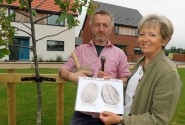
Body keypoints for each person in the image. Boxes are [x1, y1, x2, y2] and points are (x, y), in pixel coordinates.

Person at [99, 13, 182, 125]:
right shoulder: (141, 61)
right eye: (142, 34)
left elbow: (159, 119)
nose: (145, 39)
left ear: (164, 40)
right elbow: (133, 91)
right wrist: (112, 83)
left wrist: (121, 120)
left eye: (152, 35)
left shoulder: (168, 73)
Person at [59, 10, 131, 125]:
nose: (101, 29)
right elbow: (62, 70)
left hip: (111, 114)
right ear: (91, 27)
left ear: (111, 29)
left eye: (105, 25)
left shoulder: (119, 53)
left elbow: (126, 79)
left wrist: (111, 82)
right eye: (97, 25)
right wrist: (72, 76)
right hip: (83, 114)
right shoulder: (80, 50)